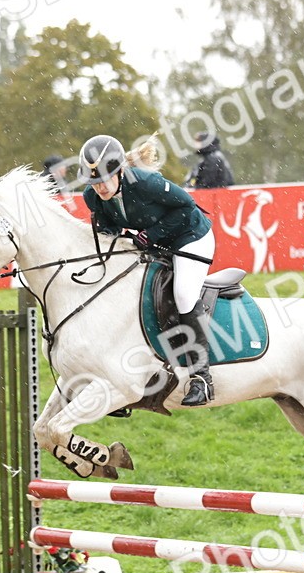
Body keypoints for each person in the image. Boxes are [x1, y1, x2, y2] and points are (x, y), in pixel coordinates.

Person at [79, 134, 216, 406]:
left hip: (191, 236)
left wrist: (150, 234)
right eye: (94, 182)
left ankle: (202, 378)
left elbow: (186, 206)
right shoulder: (92, 197)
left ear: (119, 171)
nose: (101, 188)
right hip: (156, 243)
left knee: (184, 295)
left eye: (105, 179)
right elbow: (110, 229)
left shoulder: (145, 183)